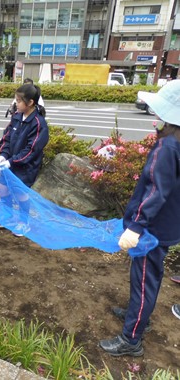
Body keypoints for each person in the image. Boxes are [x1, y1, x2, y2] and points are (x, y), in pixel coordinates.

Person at [99, 79, 180, 357]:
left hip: (152, 230)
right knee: (146, 277)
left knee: (146, 279)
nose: (156, 118)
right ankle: (136, 313)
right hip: (165, 225)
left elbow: (156, 191)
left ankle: (131, 339)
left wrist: (136, 226)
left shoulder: (167, 148)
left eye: (159, 113)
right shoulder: (175, 143)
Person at [0, 83, 49, 236]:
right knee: (1, 188)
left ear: (31, 102)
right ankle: (7, 217)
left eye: (19, 101)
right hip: (10, 163)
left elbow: (32, 149)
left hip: (26, 166)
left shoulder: (39, 123)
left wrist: (12, 161)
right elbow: (6, 138)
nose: (16, 104)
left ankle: (23, 222)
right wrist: (3, 155)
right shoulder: (16, 117)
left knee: (21, 194)